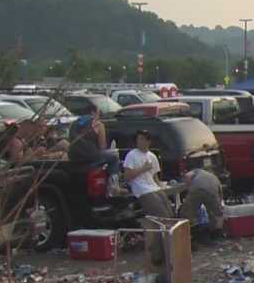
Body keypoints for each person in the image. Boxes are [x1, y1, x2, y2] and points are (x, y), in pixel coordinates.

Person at [123, 130, 174, 263]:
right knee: (160, 218)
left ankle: (170, 251)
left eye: (143, 139)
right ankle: (157, 255)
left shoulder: (152, 156)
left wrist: (162, 188)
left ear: (148, 141)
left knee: (170, 217)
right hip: (142, 190)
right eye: (138, 139)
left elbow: (155, 176)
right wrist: (143, 169)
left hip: (154, 187)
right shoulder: (132, 155)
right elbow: (127, 176)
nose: (140, 142)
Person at [68, 108, 121, 191]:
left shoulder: (74, 123)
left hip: (73, 157)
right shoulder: (98, 124)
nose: (99, 116)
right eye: (99, 113)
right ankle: (114, 186)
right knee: (114, 157)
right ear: (93, 113)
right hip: (90, 157)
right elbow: (102, 147)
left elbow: (70, 140)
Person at [181, 168, 225, 242]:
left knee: (187, 213)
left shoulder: (196, 171)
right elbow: (220, 194)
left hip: (197, 189)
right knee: (217, 214)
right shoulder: (214, 178)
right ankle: (217, 235)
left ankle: (189, 236)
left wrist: (188, 190)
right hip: (212, 191)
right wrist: (219, 207)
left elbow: (187, 176)